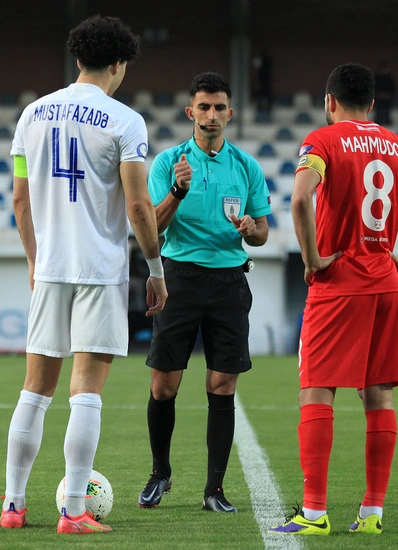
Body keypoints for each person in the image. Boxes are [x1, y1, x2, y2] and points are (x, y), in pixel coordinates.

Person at [270, 63, 398, 537]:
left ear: (329, 101)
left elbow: (298, 200)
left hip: (340, 284)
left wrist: (313, 259)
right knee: (379, 396)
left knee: (317, 390)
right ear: (373, 104)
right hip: (386, 286)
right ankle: (372, 512)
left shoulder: (324, 141)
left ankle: (314, 512)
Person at [0, 15, 168, 535]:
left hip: (50, 269)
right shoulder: (125, 121)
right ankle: (73, 510)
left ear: (78, 60)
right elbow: (139, 207)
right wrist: (156, 269)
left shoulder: (32, 114)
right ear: (119, 65)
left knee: (34, 391)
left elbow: (20, 199)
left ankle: (13, 505)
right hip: (99, 270)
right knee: (86, 392)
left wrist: (34, 258)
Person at [137, 72, 270, 514]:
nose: (211, 116)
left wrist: (252, 228)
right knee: (164, 385)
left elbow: (263, 231)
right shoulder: (168, 163)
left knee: (223, 383)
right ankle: (160, 474)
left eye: (219, 108)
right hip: (180, 278)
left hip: (230, 282)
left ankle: (214, 489)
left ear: (230, 114)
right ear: (190, 112)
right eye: (204, 107)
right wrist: (178, 190)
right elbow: (153, 227)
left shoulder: (247, 167)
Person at [373, 61, 396, 126]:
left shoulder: (390, 78)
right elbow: (373, 88)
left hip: (387, 99)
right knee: (377, 111)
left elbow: (393, 89)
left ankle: (387, 121)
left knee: (387, 111)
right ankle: (377, 122)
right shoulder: (376, 77)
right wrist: (378, 94)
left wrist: (386, 95)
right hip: (377, 98)